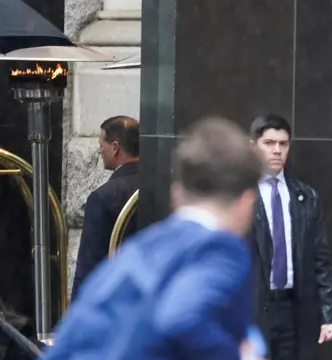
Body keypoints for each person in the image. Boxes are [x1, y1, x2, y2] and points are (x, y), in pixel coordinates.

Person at [41, 118, 266, 360]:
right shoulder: (219, 249)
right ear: (247, 202)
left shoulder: (138, 249)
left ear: (176, 193)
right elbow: (180, 317)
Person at [248, 114, 332, 360]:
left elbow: (321, 259)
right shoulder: (241, 197)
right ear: (253, 146)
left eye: (283, 144)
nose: (277, 150)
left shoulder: (305, 196)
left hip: (293, 309)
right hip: (253, 309)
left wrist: (328, 316)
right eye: (269, 143)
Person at [71, 116, 140, 299]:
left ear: (115, 147)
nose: (99, 151)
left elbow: (90, 267)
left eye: (102, 145)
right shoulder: (163, 187)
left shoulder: (103, 197)